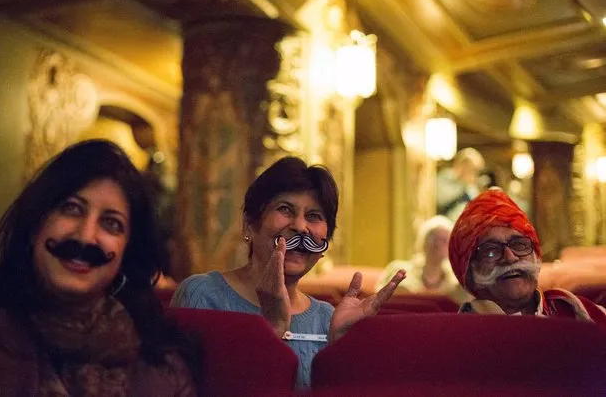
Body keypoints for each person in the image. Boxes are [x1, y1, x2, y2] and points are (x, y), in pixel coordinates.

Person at [0, 140, 197, 396]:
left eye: (111, 223)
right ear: (35, 225)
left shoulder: (163, 371)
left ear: (125, 252)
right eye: (72, 209)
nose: (86, 237)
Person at [170, 156, 406, 388]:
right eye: (285, 209)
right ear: (249, 226)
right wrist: (269, 331)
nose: (301, 227)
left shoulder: (328, 319)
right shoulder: (202, 295)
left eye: (314, 216)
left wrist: (342, 348)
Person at [448, 187, 606, 326]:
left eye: (519, 244)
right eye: (491, 250)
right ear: (469, 272)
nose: (510, 257)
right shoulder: (458, 337)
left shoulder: (578, 312)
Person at [376, 215, 470, 304]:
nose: (450, 245)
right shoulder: (398, 269)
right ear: (427, 242)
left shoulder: (455, 279)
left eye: (451, 240)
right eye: (444, 240)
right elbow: (379, 299)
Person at [436, 147, 485, 222]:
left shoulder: (471, 187)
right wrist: (463, 185)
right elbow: (441, 201)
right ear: (462, 164)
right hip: (445, 227)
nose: (473, 174)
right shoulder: (445, 177)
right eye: (471, 169)